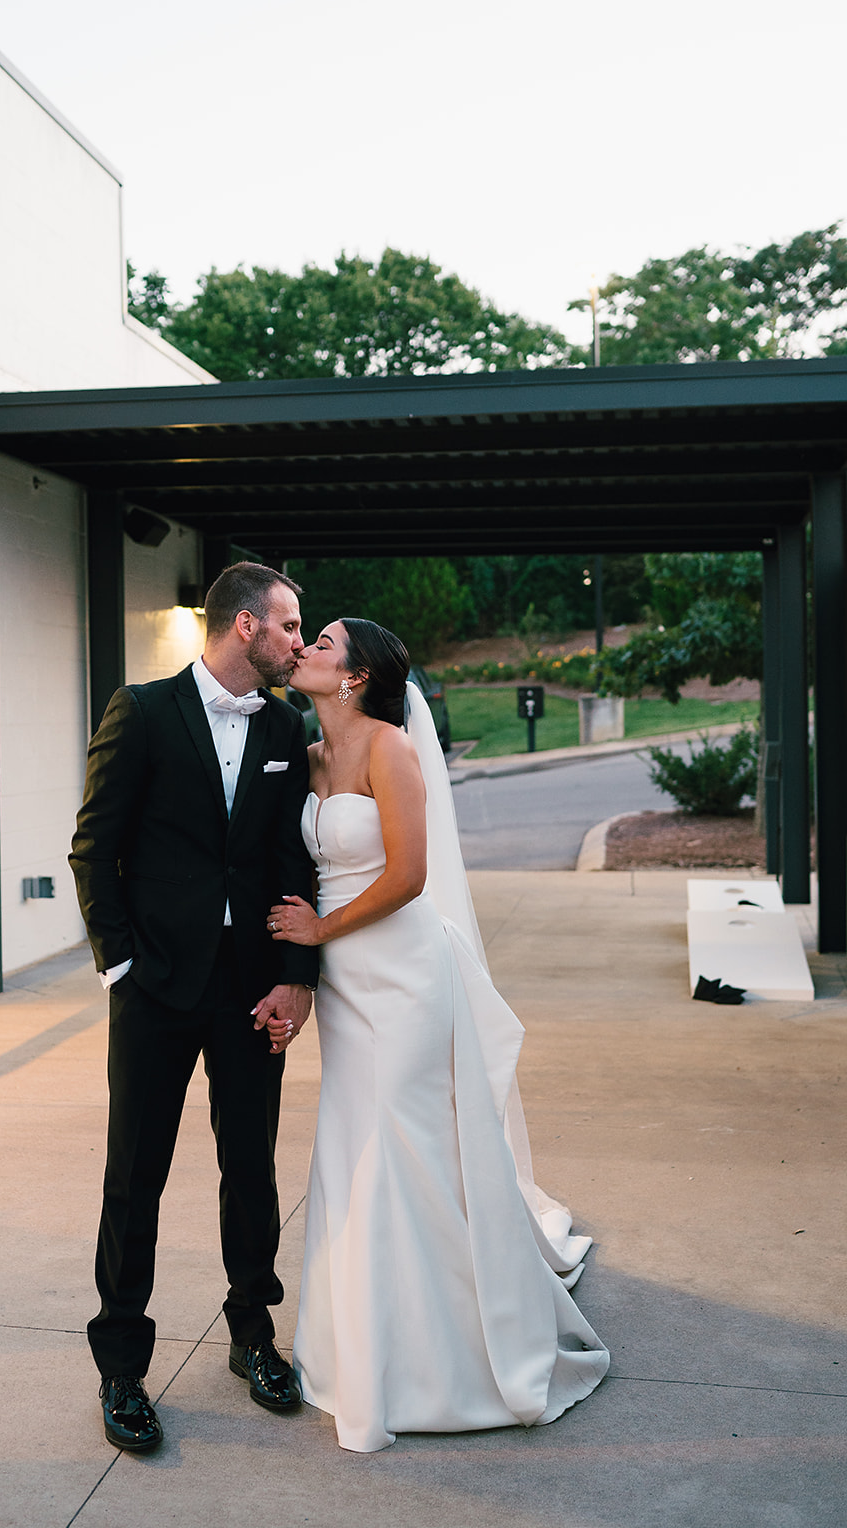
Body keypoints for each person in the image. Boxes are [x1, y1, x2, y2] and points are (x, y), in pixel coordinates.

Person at [267, 617, 610, 1452]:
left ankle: (444, 1359)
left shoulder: (391, 749)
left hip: (405, 974)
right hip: (347, 988)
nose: (306, 646)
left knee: (403, 1147)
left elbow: (411, 875)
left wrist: (322, 931)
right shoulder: (310, 757)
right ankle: (360, 1342)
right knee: (355, 1146)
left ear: (353, 677)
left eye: (323, 643)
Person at [69, 562, 320, 1454]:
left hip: (250, 988)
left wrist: (295, 977)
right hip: (154, 987)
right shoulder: (139, 711)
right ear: (245, 625)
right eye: (291, 626)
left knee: (251, 1168)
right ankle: (121, 1368)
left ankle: (253, 1337)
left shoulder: (289, 726)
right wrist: (120, 967)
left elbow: (298, 865)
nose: (301, 641)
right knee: (135, 1175)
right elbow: (92, 846)